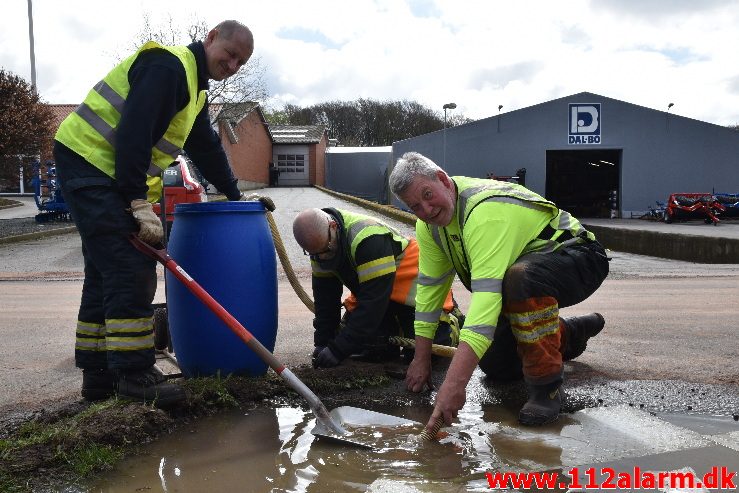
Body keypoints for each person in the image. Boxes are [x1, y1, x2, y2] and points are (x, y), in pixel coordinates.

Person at [53, 20, 254, 407]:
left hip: (98, 170)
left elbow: (205, 145)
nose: (233, 66)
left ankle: (98, 377)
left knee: (105, 270)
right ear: (210, 38)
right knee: (130, 267)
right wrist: (137, 202)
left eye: (240, 63)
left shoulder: (194, 89)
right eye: (230, 55)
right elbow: (134, 134)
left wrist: (233, 193)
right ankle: (134, 374)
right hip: (91, 164)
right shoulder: (168, 68)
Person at [389, 152, 609, 428]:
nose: (426, 210)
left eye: (427, 195)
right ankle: (567, 332)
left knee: (520, 277)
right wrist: (420, 360)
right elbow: (429, 294)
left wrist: (454, 384)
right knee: (497, 366)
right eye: (415, 206)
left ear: (443, 180)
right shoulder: (430, 228)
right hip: (523, 279)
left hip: (578, 256)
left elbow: (485, 303)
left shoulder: (483, 213)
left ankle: (547, 387)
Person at [292, 207, 461, 368]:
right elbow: (325, 301)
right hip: (380, 294)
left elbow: (373, 304)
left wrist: (337, 350)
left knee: (425, 353)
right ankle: (393, 330)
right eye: (315, 254)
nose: (323, 257)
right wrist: (323, 342)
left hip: (416, 296)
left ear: (333, 226)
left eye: (327, 250)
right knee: (371, 348)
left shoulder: (368, 239)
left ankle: (453, 324)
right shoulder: (320, 245)